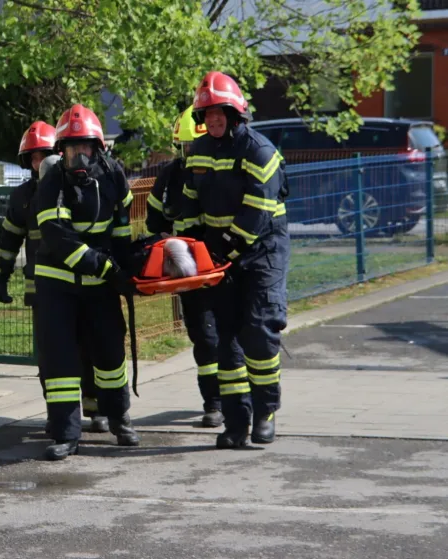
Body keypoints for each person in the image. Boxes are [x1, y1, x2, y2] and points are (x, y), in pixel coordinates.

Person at [182, 71, 290, 449]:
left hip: (262, 251)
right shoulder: (198, 153)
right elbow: (190, 204)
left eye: (219, 112)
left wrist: (219, 251)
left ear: (235, 113)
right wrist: (183, 247)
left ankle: (265, 412)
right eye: (207, 113)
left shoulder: (259, 151)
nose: (213, 119)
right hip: (218, 254)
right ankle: (235, 422)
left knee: (258, 331)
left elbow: (256, 215)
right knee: (225, 339)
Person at [33, 103, 141, 461]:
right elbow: (59, 239)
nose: (78, 154)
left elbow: (122, 228)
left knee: (111, 353)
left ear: (98, 147)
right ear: (60, 150)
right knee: (61, 361)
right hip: (58, 287)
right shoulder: (52, 182)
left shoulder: (113, 176)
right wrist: (107, 268)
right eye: (70, 147)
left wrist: (129, 269)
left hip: (101, 285)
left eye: (84, 146)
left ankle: (119, 418)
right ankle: (66, 434)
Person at [0, 122, 109, 435]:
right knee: (52, 359)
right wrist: (0, 275)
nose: (39, 162)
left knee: (89, 349)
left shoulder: (71, 187)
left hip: (83, 287)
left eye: (44, 154)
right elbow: (9, 240)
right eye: (32, 157)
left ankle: (97, 408)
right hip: (43, 292)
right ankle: (57, 415)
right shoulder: (23, 197)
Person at [143, 105, 223, 428]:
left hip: (223, 266)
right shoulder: (170, 175)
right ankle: (214, 403)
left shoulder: (223, 168)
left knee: (230, 335)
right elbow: (153, 219)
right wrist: (164, 238)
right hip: (191, 273)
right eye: (186, 148)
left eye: (195, 146)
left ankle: (236, 398)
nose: (191, 153)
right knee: (203, 336)